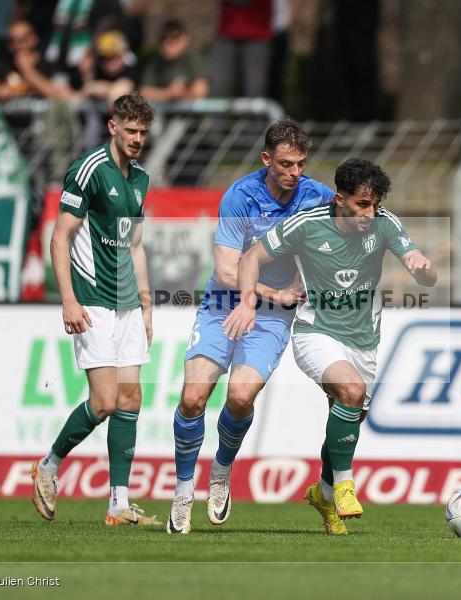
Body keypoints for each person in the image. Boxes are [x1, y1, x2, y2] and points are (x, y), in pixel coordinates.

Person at [224, 158, 437, 535]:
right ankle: (343, 486)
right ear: (340, 200)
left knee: (349, 416)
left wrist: (423, 267)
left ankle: (323, 493)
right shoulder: (306, 225)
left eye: (374, 205)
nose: (369, 213)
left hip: (364, 341)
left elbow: (426, 277)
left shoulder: (384, 221)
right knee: (351, 391)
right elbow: (252, 258)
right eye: (362, 204)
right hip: (315, 332)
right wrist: (247, 300)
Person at [166, 118, 334, 535]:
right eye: (286, 164)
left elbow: (360, 213)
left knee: (240, 397)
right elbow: (226, 270)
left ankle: (220, 471)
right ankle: (183, 490)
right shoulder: (240, 195)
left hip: (271, 318)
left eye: (301, 164)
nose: (295, 173)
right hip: (225, 304)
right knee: (193, 397)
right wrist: (275, 295)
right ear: (266, 159)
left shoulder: (316, 196)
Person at [30, 93, 161, 527]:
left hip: (127, 305)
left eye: (143, 131)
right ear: (113, 127)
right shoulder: (89, 169)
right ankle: (49, 465)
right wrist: (67, 299)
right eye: (131, 130)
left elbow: (134, 246)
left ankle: (118, 504)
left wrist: (145, 304)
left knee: (131, 398)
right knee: (104, 402)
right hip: (92, 301)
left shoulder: (140, 179)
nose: (138, 138)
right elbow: (59, 237)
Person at [139, 19, 208, 103]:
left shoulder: (192, 57)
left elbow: (201, 91)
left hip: (190, 114)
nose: (167, 42)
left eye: (174, 37)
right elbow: (144, 91)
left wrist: (182, 93)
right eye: (164, 37)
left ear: (185, 39)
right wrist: (167, 93)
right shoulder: (155, 60)